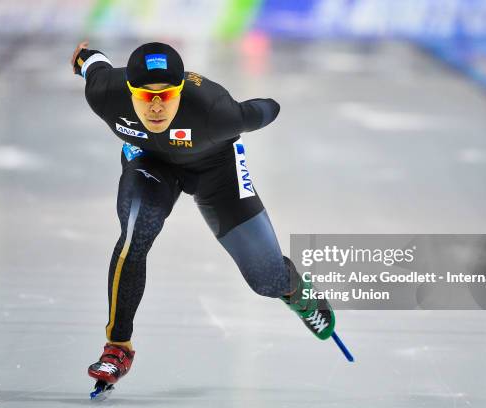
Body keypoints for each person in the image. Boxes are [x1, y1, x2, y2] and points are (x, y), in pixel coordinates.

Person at [70, 40, 335, 388]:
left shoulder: (217, 112)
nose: (155, 107)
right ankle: (117, 347)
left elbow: (265, 109)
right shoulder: (106, 95)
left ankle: (295, 291)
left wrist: (271, 106)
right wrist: (84, 56)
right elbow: (93, 64)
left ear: (180, 90)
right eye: (146, 96)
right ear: (128, 90)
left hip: (217, 171)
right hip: (151, 164)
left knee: (265, 280)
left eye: (165, 96)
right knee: (136, 232)